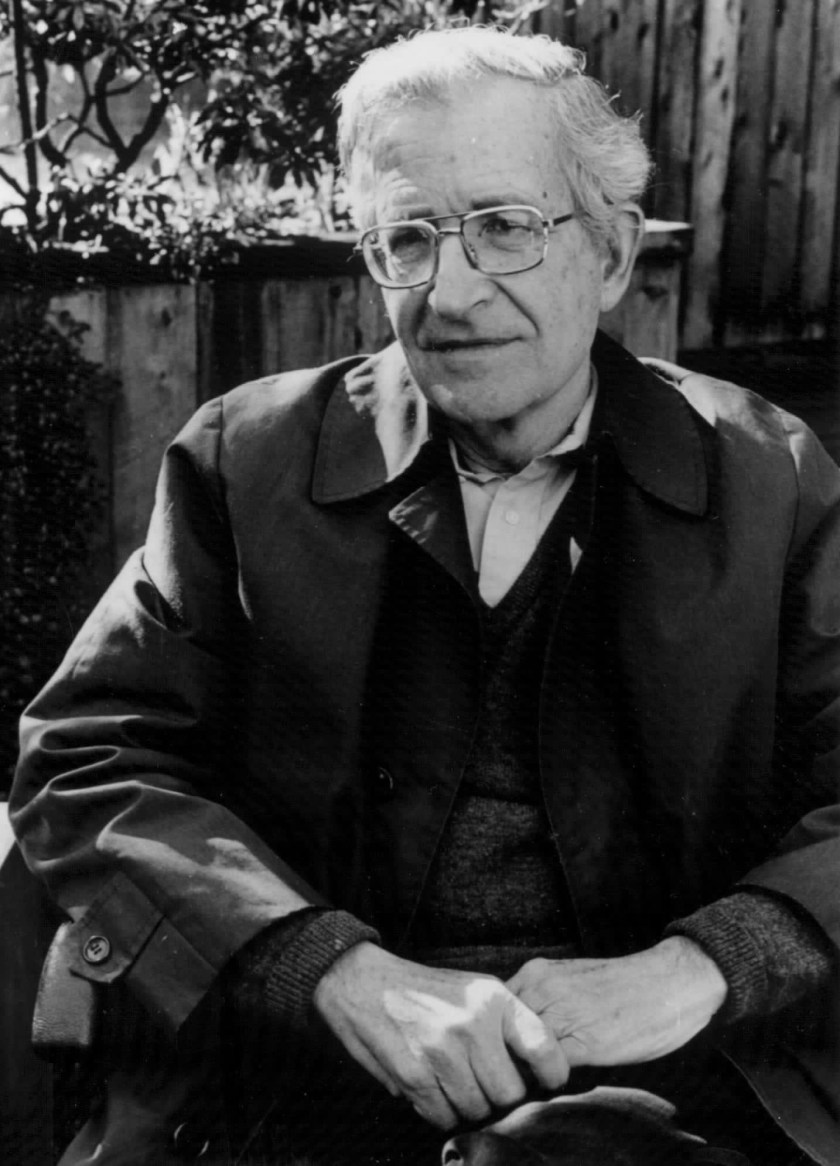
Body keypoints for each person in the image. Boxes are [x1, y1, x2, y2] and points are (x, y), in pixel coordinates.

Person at [10, 26, 840, 1166]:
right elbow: (86, 758)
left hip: (677, 1087)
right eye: (407, 238)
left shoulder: (768, 477)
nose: (449, 292)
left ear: (608, 255)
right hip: (298, 1083)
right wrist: (326, 966)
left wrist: (707, 963)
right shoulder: (245, 462)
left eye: (505, 226)